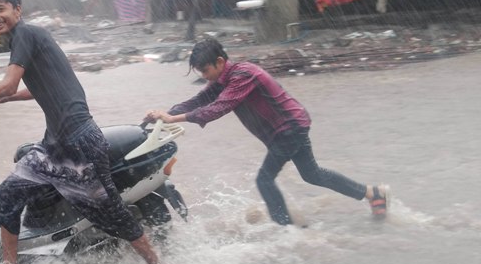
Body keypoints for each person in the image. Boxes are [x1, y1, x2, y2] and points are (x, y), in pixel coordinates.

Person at [0, 0, 161, 264]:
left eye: (0, 9)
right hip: (55, 145)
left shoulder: (24, 35)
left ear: (18, 9)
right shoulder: (28, 38)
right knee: (7, 194)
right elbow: (35, 88)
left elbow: (9, 83)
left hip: (79, 145)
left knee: (111, 214)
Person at [144, 38, 389, 225]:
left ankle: (287, 229)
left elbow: (218, 108)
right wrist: (163, 115)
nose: (205, 77)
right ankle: (372, 193)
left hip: (289, 128)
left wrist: (174, 118)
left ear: (220, 62)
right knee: (312, 174)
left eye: (206, 71)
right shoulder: (222, 80)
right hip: (287, 128)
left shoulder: (243, 75)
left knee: (264, 179)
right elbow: (199, 100)